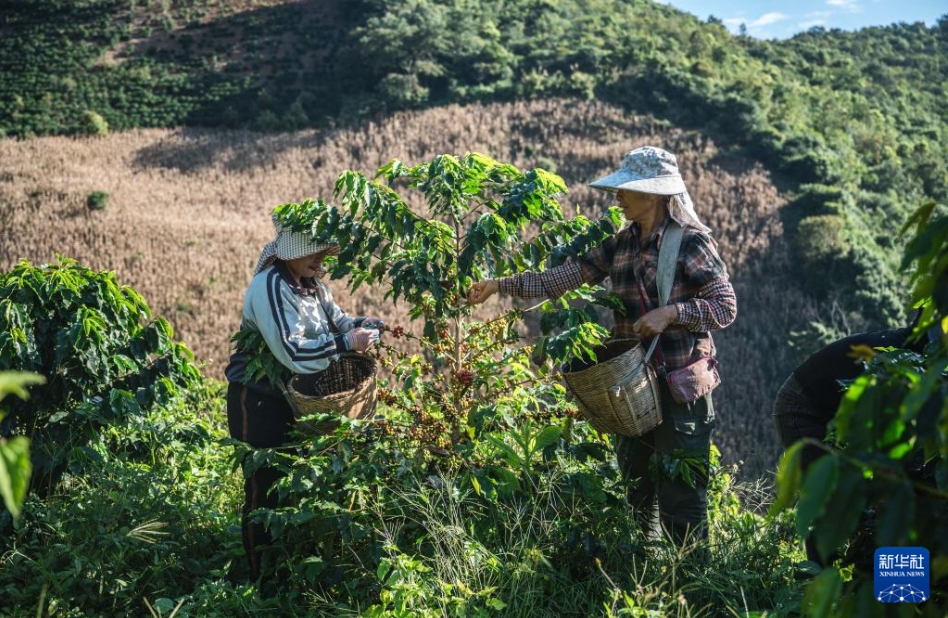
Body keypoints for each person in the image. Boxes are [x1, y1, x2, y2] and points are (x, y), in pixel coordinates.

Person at [468, 146, 737, 546]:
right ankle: (642, 577)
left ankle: (693, 588)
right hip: (634, 385)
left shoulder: (691, 243)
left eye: (627, 188)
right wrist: (498, 285)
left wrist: (671, 314)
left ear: (654, 195)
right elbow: (560, 279)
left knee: (682, 494)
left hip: (680, 385)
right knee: (637, 487)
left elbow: (724, 306)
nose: (618, 195)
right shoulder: (622, 244)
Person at [224, 212, 384, 583]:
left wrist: (368, 326)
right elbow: (293, 353)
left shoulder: (311, 284)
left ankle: (289, 569)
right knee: (264, 490)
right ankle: (259, 581)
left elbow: (339, 323)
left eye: (324, 253)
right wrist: (347, 343)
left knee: (295, 483)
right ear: (290, 252)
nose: (321, 260)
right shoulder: (270, 286)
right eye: (314, 252)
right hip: (259, 399)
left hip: (292, 397)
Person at [772, 314, 931, 565]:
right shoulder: (899, 360)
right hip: (803, 407)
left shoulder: (924, 364)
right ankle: (819, 582)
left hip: (837, 411)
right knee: (831, 501)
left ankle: (869, 581)